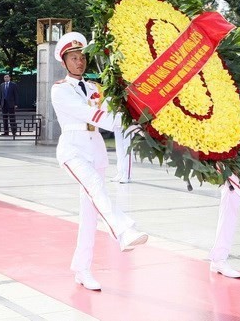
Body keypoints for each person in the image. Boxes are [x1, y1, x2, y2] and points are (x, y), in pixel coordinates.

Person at [51, 32, 148, 291]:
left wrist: (136, 121)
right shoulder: (60, 89)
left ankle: (82, 269)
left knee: (90, 214)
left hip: (95, 150)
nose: (79, 62)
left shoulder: (95, 87)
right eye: (73, 58)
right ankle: (124, 230)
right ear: (64, 62)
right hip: (72, 149)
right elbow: (91, 114)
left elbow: (112, 110)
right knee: (96, 187)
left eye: (82, 57)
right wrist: (124, 121)